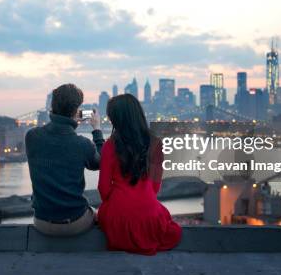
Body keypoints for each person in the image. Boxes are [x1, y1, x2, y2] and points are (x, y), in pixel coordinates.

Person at [98, 93, 182, 255]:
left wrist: (114, 206)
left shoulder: (110, 145)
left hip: (118, 213)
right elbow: (156, 187)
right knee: (172, 230)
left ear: (116, 119)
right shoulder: (156, 144)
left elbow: (103, 189)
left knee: (103, 216)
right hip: (148, 212)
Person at [25, 83, 104, 236]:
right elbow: (101, 162)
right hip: (75, 223)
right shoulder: (82, 144)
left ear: (52, 106)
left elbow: (56, 145)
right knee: (97, 214)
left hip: (41, 222)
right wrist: (97, 130)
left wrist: (69, 121)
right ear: (76, 111)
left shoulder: (32, 136)